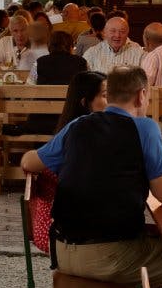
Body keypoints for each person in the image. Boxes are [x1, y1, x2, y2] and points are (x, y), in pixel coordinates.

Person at [22, 67, 162, 288]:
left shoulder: (78, 125)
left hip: (63, 252)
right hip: (111, 256)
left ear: (109, 95)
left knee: (140, 252)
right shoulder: (145, 128)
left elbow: (29, 162)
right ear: (142, 95)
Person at [28, 71, 109, 253]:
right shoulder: (78, 131)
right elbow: (28, 162)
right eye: (105, 96)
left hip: (69, 229)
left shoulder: (71, 130)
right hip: (65, 231)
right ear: (84, 103)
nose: (112, 101)